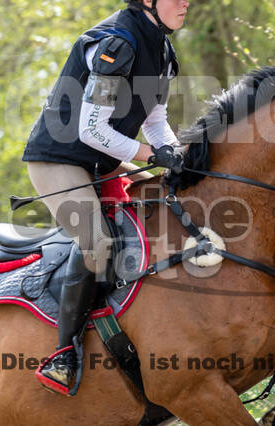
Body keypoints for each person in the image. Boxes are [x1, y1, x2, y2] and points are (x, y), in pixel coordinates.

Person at [22, 0, 190, 395]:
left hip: (104, 163)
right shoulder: (116, 44)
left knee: (172, 205)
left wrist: (178, 157)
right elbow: (91, 130)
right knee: (98, 241)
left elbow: (155, 121)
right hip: (59, 160)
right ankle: (64, 354)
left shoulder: (163, 50)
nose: (185, 2)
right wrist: (152, 155)